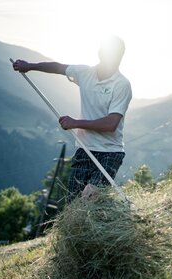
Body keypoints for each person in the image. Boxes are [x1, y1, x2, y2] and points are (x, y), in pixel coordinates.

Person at [13, 36, 132, 202]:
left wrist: (75, 123)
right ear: (101, 53)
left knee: (90, 198)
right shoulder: (84, 73)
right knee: (73, 203)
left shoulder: (122, 85)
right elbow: (57, 67)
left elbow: (111, 123)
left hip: (110, 152)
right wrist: (30, 66)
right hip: (84, 149)